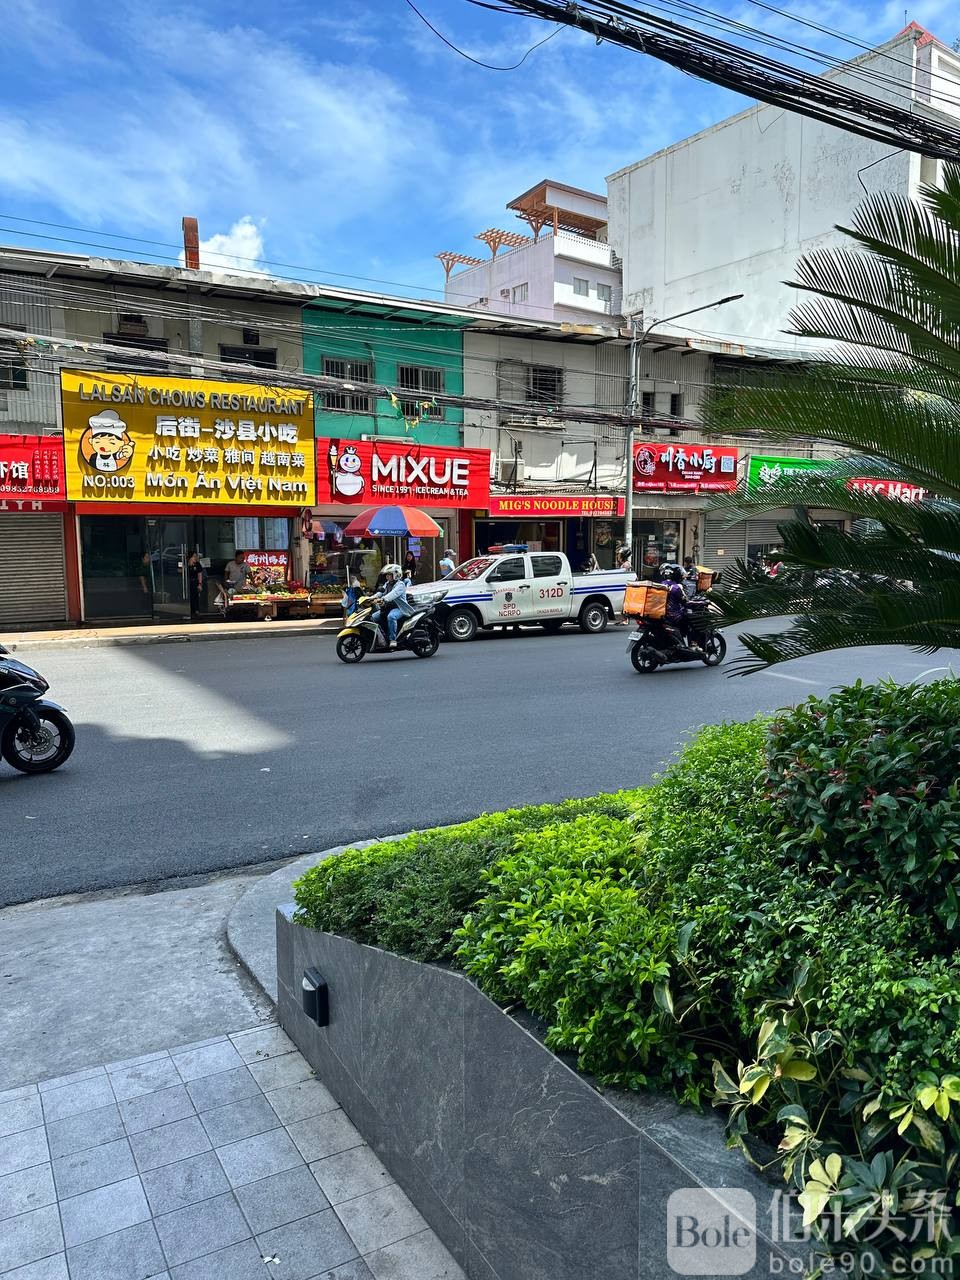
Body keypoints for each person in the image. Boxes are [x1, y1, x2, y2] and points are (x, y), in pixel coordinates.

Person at [372, 563, 416, 649]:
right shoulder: (387, 583)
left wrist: (383, 599)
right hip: (387, 608)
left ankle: (393, 640)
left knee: (391, 617)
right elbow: (380, 593)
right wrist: (370, 598)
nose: (387, 577)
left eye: (389, 575)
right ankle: (381, 637)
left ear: (396, 574)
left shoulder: (400, 585)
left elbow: (393, 594)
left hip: (399, 608)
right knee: (373, 617)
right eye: (387, 575)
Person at [186, 552, 204, 617]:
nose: (195, 558)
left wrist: (200, 584)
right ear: (190, 558)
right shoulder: (186, 565)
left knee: (195, 596)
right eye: (194, 556)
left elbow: (200, 574)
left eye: (196, 556)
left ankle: (196, 611)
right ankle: (189, 611)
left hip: (194, 582)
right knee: (189, 597)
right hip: (187, 582)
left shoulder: (197, 564)